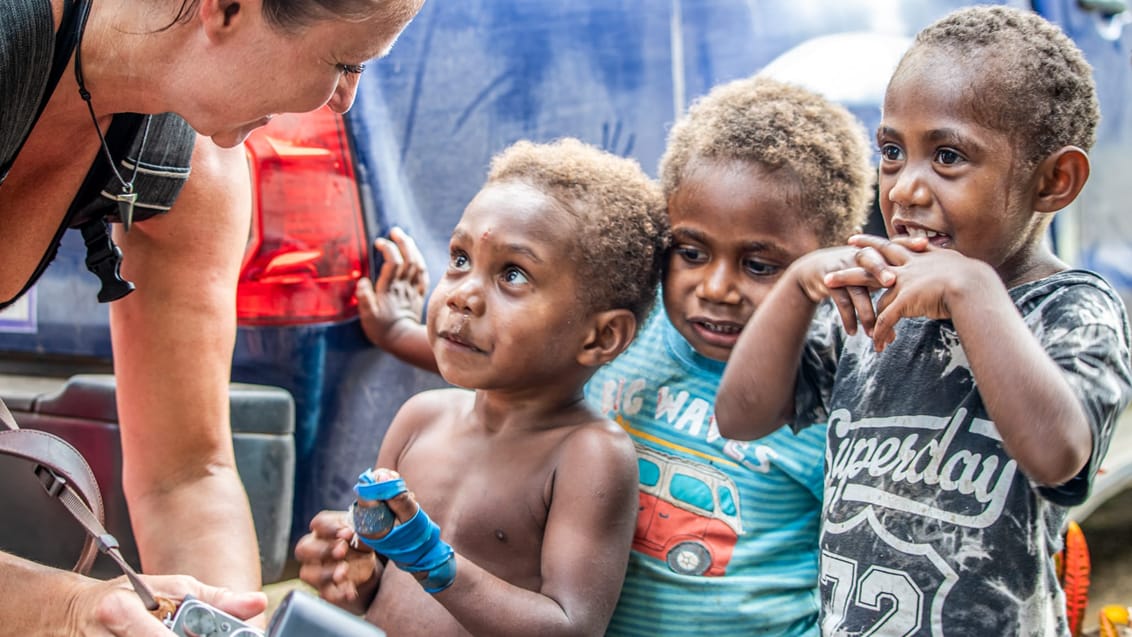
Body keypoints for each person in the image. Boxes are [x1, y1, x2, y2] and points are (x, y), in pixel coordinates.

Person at [0, 0, 424, 632]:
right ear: (227, 9)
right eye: (344, 63)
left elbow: (187, 476)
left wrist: (226, 622)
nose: (342, 101)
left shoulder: (195, 163)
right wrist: (62, 610)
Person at [715, 6, 1132, 636]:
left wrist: (973, 291)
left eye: (947, 156)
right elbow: (741, 416)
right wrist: (799, 287)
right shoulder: (875, 304)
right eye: (891, 151)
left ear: (1054, 181)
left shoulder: (1071, 309)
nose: (905, 188)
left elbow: (1058, 455)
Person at [295, 137, 668, 635]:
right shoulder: (420, 418)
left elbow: (571, 626)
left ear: (601, 336)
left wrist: (431, 561)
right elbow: (378, 585)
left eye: (513, 274)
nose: (463, 296)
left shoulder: (587, 454)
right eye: (460, 258)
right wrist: (350, 571)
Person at [584, 76, 872, 636]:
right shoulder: (626, 334)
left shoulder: (826, 395)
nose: (716, 288)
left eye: (759, 265)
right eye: (690, 252)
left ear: (830, 261)